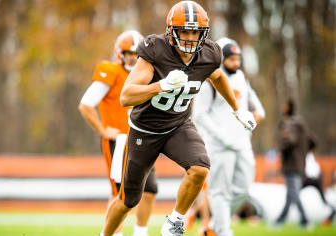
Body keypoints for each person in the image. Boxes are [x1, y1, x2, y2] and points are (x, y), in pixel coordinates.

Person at [99, 1, 257, 236]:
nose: (190, 38)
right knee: (128, 200)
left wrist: (236, 109)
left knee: (200, 168)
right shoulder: (155, 50)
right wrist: (160, 86)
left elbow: (218, 76)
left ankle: (174, 222)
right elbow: (126, 96)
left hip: (178, 125)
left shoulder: (209, 54)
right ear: (172, 31)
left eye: (195, 32)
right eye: (184, 31)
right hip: (145, 130)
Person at [78, 30, 157, 236]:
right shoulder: (111, 71)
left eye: (137, 53)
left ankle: (141, 232)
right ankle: (114, 233)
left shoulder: (147, 74)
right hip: (120, 141)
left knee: (149, 190)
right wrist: (103, 130)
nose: (133, 57)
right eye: (129, 53)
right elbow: (86, 105)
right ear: (120, 53)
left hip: (143, 139)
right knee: (119, 192)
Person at [191, 37, 265, 236]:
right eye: (231, 59)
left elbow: (258, 109)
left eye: (238, 58)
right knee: (219, 191)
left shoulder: (241, 77)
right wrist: (221, 135)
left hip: (242, 144)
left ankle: (213, 227)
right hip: (218, 146)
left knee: (243, 188)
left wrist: (255, 117)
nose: (236, 63)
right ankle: (223, 230)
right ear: (221, 58)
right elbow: (199, 114)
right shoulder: (209, 80)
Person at [274, 99, 310, 228]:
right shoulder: (301, 122)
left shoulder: (291, 123)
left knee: (293, 193)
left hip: (291, 164)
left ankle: (305, 220)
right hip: (299, 163)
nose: (283, 108)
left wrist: (280, 148)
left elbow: (290, 140)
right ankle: (280, 220)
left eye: (285, 106)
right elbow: (312, 141)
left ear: (289, 108)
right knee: (291, 194)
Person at [302, 138, 336, 227]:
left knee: (295, 197)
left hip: (310, 179)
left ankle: (305, 221)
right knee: (323, 200)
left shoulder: (306, 155)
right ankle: (332, 212)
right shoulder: (311, 155)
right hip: (317, 179)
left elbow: (308, 170)